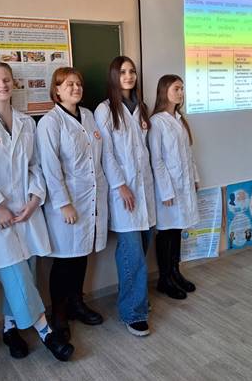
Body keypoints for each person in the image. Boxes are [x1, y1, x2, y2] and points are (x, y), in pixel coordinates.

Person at [0, 62, 74, 362]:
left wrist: (35, 199)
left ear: (13, 83)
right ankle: (47, 332)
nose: (2, 85)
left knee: (27, 274)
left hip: (27, 212)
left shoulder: (26, 122)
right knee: (18, 277)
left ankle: (10, 329)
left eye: (6, 79)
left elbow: (35, 165)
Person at [36, 67, 108, 341]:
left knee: (81, 254)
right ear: (56, 90)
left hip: (90, 199)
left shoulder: (88, 116)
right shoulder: (50, 122)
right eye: (69, 84)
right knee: (65, 260)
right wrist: (63, 203)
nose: (76, 88)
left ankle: (77, 304)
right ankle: (59, 313)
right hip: (67, 203)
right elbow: (50, 167)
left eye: (78, 84)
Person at [94, 56, 155, 337]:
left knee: (143, 247)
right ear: (113, 76)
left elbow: (144, 150)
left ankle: (135, 297)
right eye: (122, 72)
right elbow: (105, 153)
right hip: (124, 192)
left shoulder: (141, 108)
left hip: (145, 189)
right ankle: (133, 312)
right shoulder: (105, 110)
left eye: (132, 71)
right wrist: (120, 185)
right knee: (132, 254)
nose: (128, 76)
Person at [148, 75, 200, 300]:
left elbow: (188, 154)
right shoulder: (157, 122)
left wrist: (195, 177)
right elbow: (156, 159)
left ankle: (175, 272)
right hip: (168, 190)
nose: (180, 93)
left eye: (182, 89)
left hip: (183, 185)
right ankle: (164, 279)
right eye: (176, 89)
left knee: (177, 230)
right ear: (164, 91)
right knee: (166, 232)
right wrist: (166, 190)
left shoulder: (179, 120)